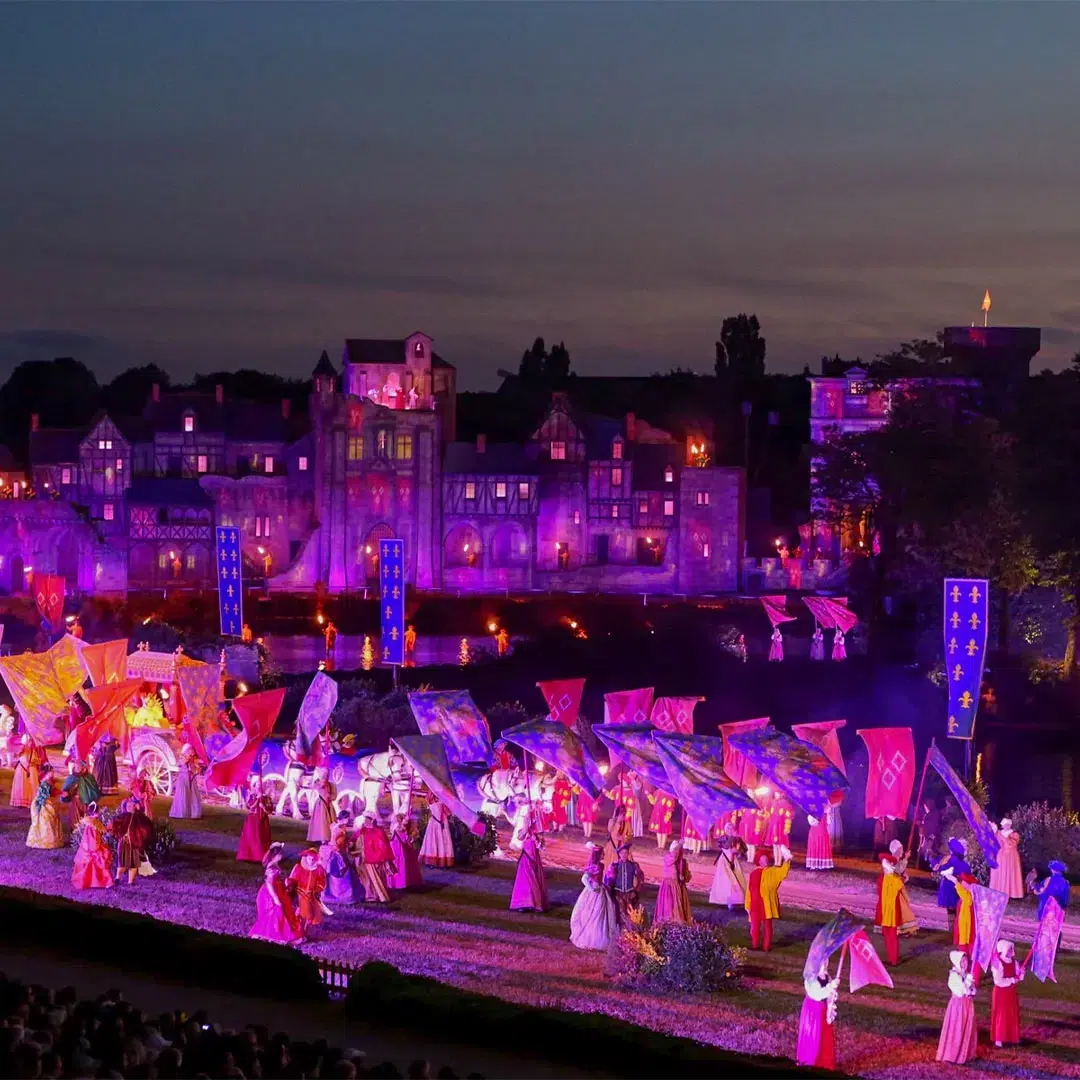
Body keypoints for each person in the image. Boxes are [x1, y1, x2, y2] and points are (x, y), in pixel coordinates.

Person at [250, 844, 303, 944]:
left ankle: (282, 932)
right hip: (271, 893)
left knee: (282, 912)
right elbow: (269, 884)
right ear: (275, 856)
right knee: (275, 912)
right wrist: (275, 898)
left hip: (278, 890)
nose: (281, 855)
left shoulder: (275, 865)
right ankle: (274, 934)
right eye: (279, 854)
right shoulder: (271, 869)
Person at [570, 843, 617, 950]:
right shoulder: (594, 866)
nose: (604, 854)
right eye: (602, 853)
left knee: (599, 914)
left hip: (600, 890)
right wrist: (592, 889)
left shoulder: (601, 865)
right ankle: (591, 938)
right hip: (594, 892)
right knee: (593, 914)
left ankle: (598, 936)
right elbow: (584, 879)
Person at [745, 846, 791, 952]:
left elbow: (783, 872)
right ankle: (755, 945)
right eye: (762, 859)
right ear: (759, 861)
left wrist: (787, 860)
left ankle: (766, 947)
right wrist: (747, 903)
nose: (765, 861)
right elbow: (749, 889)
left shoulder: (772, 871)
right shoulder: (753, 873)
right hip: (755, 903)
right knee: (755, 925)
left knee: (767, 926)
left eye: (766, 859)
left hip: (766, 903)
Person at [936, 950, 978, 1065]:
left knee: (966, 1028)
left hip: (967, 1004)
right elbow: (960, 991)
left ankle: (966, 1052)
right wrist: (968, 983)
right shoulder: (954, 976)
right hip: (958, 1006)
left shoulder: (965, 974)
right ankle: (953, 1054)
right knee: (957, 1028)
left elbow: (972, 991)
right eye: (962, 961)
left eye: (966, 961)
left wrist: (971, 985)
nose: (965, 964)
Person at [875, 843, 914, 966]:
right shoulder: (888, 863)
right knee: (888, 931)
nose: (902, 853)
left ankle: (893, 959)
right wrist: (905, 860)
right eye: (901, 850)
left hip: (893, 902)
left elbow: (901, 875)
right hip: (888, 901)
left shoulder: (894, 863)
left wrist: (904, 865)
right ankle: (892, 958)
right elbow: (896, 871)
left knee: (891, 931)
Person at [796, 962, 839, 1069]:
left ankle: (824, 1062)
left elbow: (829, 994)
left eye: (826, 960)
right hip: (813, 1011)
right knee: (813, 1035)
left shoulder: (827, 976)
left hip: (823, 1010)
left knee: (824, 1036)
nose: (825, 963)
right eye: (822, 961)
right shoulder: (811, 978)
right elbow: (817, 994)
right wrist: (831, 987)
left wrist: (832, 994)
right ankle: (809, 1061)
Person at [321, 812, 367, 905]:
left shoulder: (338, 827)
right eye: (347, 818)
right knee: (341, 873)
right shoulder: (338, 829)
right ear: (343, 819)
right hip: (337, 853)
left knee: (344, 871)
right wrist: (342, 847)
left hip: (339, 851)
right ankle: (341, 894)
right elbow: (335, 842)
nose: (348, 820)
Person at [288, 848, 330, 937]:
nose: (311, 860)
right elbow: (292, 880)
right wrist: (290, 885)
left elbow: (322, 882)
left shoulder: (318, 870)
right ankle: (297, 930)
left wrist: (317, 889)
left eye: (313, 858)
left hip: (311, 895)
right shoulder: (299, 868)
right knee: (302, 913)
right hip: (300, 894)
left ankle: (304, 931)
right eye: (309, 858)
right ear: (305, 858)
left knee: (309, 915)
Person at [112, 795, 154, 885]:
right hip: (124, 843)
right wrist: (120, 835)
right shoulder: (122, 817)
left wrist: (143, 806)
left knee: (133, 863)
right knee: (121, 863)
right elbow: (114, 826)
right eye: (128, 806)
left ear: (135, 807)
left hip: (134, 843)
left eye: (132, 806)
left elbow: (147, 821)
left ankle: (130, 882)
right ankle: (117, 878)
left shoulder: (139, 817)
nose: (130, 807)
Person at [71, 803, 114, 890]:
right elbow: (93, 837)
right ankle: (100, 882)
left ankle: (88, 881)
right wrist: (95, 846)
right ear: (96, 812)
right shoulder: (94, 823)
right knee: (98, 862)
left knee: (89, 863)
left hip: (86, 846)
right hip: (93, 846)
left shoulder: (89, 822)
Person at [989, 939, 1023, 1047]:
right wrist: (1012, 980)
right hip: (1001, 993)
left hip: (1011, 993)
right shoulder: (998, 963)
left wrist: (1021, 974)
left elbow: (1018, 978)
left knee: (1012, 1014)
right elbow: (998, 981)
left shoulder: (1014, 962)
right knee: (1001, 1015)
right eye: (1008, 949)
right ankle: (999, 1038)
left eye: (1011, 949)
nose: (1010, 952)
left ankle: (1013, 1037)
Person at [604, 841, 646, 927]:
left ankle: (628, 931)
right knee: (618, 913)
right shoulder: (614, 866)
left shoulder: (634, 865)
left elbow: (641, 878)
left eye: (626, 853)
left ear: (628, 854)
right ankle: (618, 930)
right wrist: (610, 891)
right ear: (619, 854)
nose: (624, 855)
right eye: (622, 853)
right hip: (617, 894)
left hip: (630, 894)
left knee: (630, 913)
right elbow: (608, 880)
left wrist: (636, 891)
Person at [934, 837, 971, 930]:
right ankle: (955, 929)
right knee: (956, 909)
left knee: (951, 910)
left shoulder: (949, 859)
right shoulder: (959, 861)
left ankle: (952, 929)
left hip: (948, 886)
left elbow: (939, 867)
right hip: (954, 887)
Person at [509, 825, 548, 912]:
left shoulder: (538, 827)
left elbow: (541, 845)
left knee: (533, 879)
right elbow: (520, 837)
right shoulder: (526, 827)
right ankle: (525, 903)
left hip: (533, 856)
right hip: (526, 857)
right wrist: (526, 830)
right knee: (525, 879)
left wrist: (536, 838)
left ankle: (533, 903)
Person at [357, 813, 394, 903]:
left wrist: (383, 858)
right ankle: (370, 896)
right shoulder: (362, 831)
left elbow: (383, 846)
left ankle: (380, 895)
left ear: (372, 820)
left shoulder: (379, 832)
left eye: (367, 819)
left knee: (378, 878)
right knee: (368, 879)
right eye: (365, 819)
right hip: (366, 859)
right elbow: (356, 840)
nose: (365, 821)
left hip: (377, 859)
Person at [709, 822, 747, 909]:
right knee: (726, 881)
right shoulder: (723, 838)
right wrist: (731, 838)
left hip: (734, 862)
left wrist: (738, 851)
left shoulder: (737, 839)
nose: (730, 830)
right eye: (728, 828)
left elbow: (744, 849)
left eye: (731, 828)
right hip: (724, 862)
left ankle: (737, 900)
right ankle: (726, 900)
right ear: (725, 830)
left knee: (736, 880)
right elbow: (725, 846)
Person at [27, 765, 66, 850]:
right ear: (47, 773)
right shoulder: (45, 783)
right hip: (43, 803)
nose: (53, 773)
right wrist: (60, 793)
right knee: (46, 821)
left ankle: (52, 840)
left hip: (47, 802)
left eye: (53, 771)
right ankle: (45, 841)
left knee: (52, 820)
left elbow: (52, 790)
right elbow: (47, 794)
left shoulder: (49, 781)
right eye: (51, 771)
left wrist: (61, 793)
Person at [654, 840, 693, 924]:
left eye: (678, 850)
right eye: (674, 850)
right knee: (669, 905)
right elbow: (672, 858)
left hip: (679, 887)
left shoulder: (683, 862)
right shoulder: (668, 858)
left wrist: (684, 877)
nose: (676, 852)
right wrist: (679, 845)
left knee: (678, 905)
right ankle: (668, 921)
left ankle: (679, 922)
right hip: (669, 886)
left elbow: (687, 875)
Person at [237, 777, 273, 863]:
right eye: (257, 785)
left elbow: (270, 810)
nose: (258, 787)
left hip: (262, 820)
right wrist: (257, 799)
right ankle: (247, 855)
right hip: (252, 819)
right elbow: (250, 806)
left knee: (261, 838)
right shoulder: (252, 795)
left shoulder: (267, 798)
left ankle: (261, 856)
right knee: (250, 836)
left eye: (260, 786)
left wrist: (263, 807)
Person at [941, 867, 976, 955]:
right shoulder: (966, 896)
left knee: (966, 945)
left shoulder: (969, 896)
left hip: (968, 928)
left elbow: (964, 894)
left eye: (963, 882)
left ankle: (967, 962)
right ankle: (963, 962)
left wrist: (956, 882)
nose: (962, 884)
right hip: (963, 925)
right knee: (962, 944)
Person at [61, 760, 101, 830]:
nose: (77, 768)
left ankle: (86, 832)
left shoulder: (89, 777)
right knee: (75, 819)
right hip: (75, 803)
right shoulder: (72, 778)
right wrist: (66, 794)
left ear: (83, 767)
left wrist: (92, 797)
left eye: (79, 767)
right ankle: (76, 833)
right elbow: (66, 789)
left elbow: (94, 789)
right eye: (76, 767)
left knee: (86, 818)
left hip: (86, 803)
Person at [387, 813, 424, 890]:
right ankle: (402, 882)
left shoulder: (398, 830)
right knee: (400, 865)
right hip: (400, 850)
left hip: (396, 849)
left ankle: (397, 882)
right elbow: (406, 841)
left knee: (398, 865)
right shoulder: (401, 831)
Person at [989, 819, 1024, 900]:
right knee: (1001, 873)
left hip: (1012, 856)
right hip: (1001, 856)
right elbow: (993, 841)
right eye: (1005, 824)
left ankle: (1011, 893)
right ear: (1002, 825)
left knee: (1011, 873)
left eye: (1008, 824)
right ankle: (1000, 893)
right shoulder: (998, 834)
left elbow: (1011, 844)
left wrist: (1001, 835)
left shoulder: (1014, 834)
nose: (1007, 825)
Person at [419, 794, 455, 868]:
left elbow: (449, 812)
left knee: (443, 841)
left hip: (442, 821)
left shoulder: (444, 797)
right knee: (432, 842)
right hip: (434, 823)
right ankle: (432, 861)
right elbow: (428, 799)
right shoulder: (431, 797)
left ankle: (444, 861)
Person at [169, 744, 203, 819]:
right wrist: (187, 760)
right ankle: (181, 812)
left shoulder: (193, 760)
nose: (192, 752)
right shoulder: (182, 758)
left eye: (192, 751)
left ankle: (194, 813)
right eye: (190, 751)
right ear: (187, 751)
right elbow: (180, 765)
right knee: (183, 794)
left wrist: (197, 769)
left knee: (193, 795)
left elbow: (195, 770)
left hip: (191, 779)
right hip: (183, 779)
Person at [11, 734, 43, 809]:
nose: (31, 743)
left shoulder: (34, 751)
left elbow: (38, 761)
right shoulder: (21, 749)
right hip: (21, 770)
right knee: (21, 786)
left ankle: (33, 802)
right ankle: (20, 802)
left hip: (32, 771)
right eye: (30, 741)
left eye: (32, 741)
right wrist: (20, 750)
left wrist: (36, 762)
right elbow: (15, 756)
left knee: (31, 787)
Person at [275, 741, 305, 818]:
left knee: (288, 789)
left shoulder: (304, 742)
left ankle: (279, 807)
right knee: (292, 789)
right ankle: (296, 810)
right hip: (294, 767)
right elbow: (284, 749)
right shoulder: (289, 743)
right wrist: (291, 758)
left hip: (301, 767)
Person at [306, 766, 335, 843]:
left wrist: (330, 797)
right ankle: (321, 838)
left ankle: (329, 837)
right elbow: (313, 786)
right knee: (321, 822)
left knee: (329, 822)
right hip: (320, 805)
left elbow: (334, 796)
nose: (325, 776)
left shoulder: (332, 785)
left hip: (329, 806)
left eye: (326, 775)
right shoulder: (317, 783)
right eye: (323, 775)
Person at [765, 792, 793, 865]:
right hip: (773, 826)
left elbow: (789, 816)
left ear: (781, 794)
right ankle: (776, 862)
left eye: (777, 793)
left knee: (779, 845)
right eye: (775, 793)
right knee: (775, 845)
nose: (775, 794)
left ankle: (779, 862)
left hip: (780, 827)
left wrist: (786, 828)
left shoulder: (785, 803)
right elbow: (769, 814)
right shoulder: (773, 802)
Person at [0, 704, 16, 768]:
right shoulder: (1, 718)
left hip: (6, 736)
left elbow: (9, 727)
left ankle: (9, 763)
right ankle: (3, 761)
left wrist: (6, 733)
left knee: (8, 750)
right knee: (1, 750)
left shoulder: (10, 718)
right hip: (1, 736)